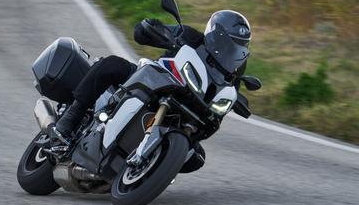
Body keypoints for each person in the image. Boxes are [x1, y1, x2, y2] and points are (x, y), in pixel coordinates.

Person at [48, 10, 251, 172]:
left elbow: (224, 103)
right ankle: (69, 120)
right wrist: (153, 29)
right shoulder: (190, 36)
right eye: (225, 39)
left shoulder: (232, 74)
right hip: (154, 79)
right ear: (214, 32)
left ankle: (152, 166)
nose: (230, 47)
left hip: (192, 106)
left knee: (196, 158)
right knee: (112, 65)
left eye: (238, 45)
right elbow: (141, 32)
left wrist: (236, 101)